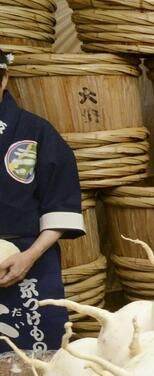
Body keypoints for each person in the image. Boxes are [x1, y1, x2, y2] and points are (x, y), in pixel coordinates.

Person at [0, 49, 84, 351]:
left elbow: (61, 205)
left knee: (38, 359)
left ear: (4, 78)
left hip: (29, 260)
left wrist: (29, 257)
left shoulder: (36, 132)